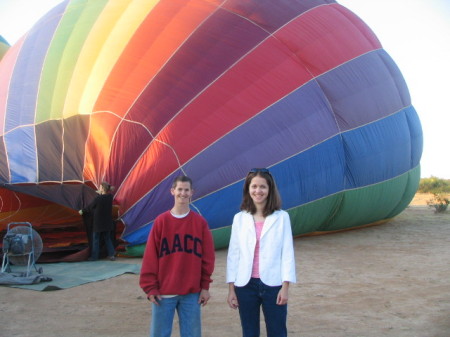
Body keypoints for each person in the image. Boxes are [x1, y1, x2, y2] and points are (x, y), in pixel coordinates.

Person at [140, 175, 215, 337]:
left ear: (192, 192)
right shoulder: (161, 222)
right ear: (172, 191)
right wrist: (150, 286)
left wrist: (205, 286)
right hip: (163, 292)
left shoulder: (200, 223)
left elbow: (208, 258)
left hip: (191, 293)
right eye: (179, 189)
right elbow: (150, 257)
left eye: (186, 190)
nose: (183, 193)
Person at [226, 168, 296, 337]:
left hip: (273, 285)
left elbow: (287, 253)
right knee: (249, 332)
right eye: (254, 186)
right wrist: (231, 289)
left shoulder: (282, 217)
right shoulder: (239, 218)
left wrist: (285, 288)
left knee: (277, 331)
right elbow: (233, 255)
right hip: (245, 284)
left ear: (270, 189)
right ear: (248, 189)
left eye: (263, 187)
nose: (258, 191)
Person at [79, 182, 116, 261]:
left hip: (98, 223)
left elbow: (91, 206)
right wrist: (100, 194)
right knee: (107, 238)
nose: (98, 188)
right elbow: (104, 198)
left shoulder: (98, 198)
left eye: (100, 187)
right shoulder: (110, 197)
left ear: (102, 189)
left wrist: (82, 211)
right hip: (107, 222)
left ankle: (94, 257)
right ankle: (112, 254)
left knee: (96, 239)